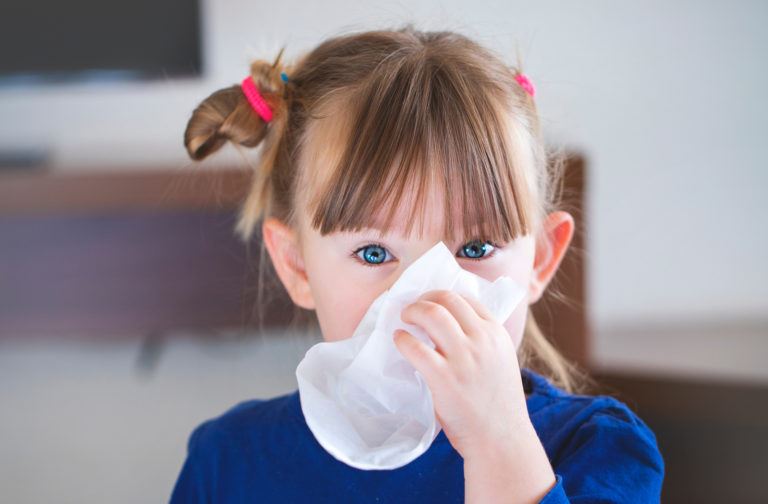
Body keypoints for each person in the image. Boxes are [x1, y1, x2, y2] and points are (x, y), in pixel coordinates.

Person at [170, 24, 665, 503]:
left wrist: (499, 441)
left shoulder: (600, 452)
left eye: (475, 249)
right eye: (374, 253)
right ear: (298, 266)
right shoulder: (229, 461)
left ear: (539, 258)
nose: (426, 297)